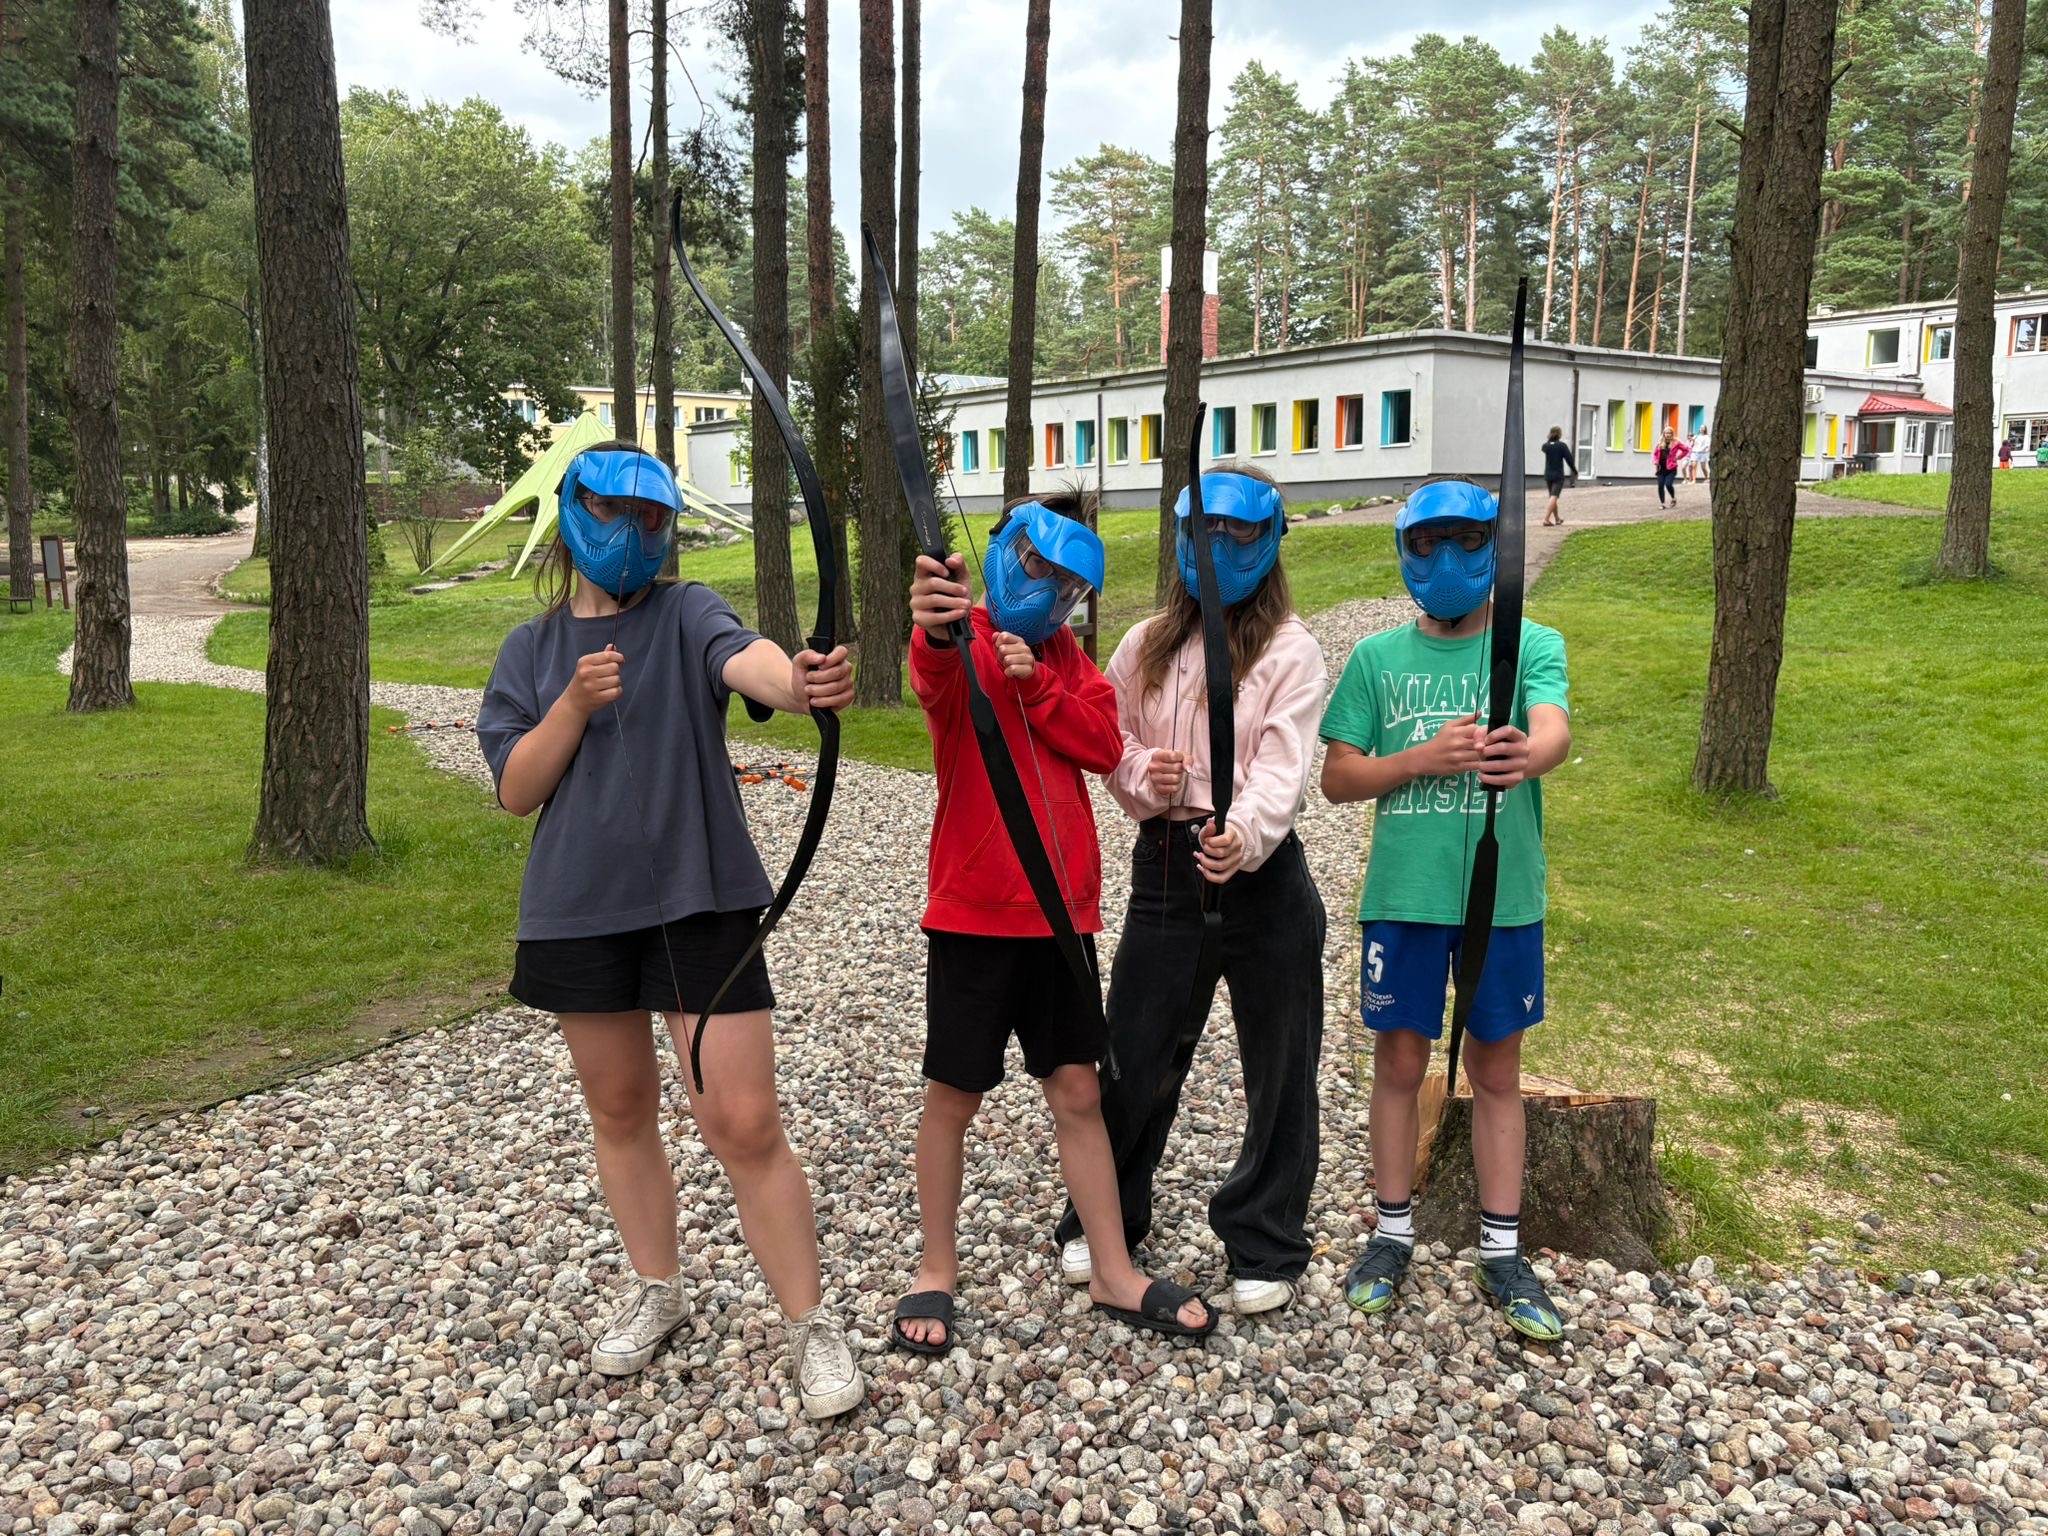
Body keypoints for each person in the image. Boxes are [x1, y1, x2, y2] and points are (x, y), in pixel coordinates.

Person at [476, 442, 865, 1420]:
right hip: (576, 912)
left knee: (743, 1122)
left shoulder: (687, 610)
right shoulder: (529, 652)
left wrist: (802, 681)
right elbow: (516, 789)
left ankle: (809, 1322)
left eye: (652, 517)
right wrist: (572, 704)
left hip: (700, 900)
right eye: (612, 513)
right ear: (573, 515)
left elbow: (750, 662)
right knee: (618, 1109)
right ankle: (658, 1287)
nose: (633, 533)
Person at [895, 493, 1218, 1353]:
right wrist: (937, 624)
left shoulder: (1066, 660)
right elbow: (931, 672)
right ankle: (935, 1267)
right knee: (953, 1095)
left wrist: (1036, 685)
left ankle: (1112, 1268)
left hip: (1059, 914)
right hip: (973, 915)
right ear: (1005, 550)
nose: (1049, 589)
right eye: (1035, 564)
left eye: (1069, 583)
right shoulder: (964, 639)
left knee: (1077, 1089)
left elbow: (1104, 743)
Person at [1053, 463, 1328, 1319]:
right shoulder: (1144, 644)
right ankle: (1106, 1219)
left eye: (1239, 533)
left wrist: (1242, 832)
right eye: (1206, 532)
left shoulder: (1290, 650)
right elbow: (1111, 741)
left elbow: (1283, 767)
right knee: (1135, 1049)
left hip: (1262, 878)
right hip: (1169, 869)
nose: (1220, 548)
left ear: (1269, 541)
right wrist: (1148, 776)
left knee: (1281, 1062)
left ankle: (1265, 1236)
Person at [1319, 477, 1574, 1342]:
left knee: (1496, 1069)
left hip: (1502, 899)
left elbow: (1554, 728)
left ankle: (1502, 1251)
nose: (1448, 559)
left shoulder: (1529, 641)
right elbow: (1339, 777)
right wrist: (1421, 758)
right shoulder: (1376, 659)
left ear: (1493, 549)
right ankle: (1392, 1233)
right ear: (1405, 551)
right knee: (1399, 1061)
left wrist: (1525, 755)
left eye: (1468, 541)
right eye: (1427, 544)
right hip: (1407, 896)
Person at [1539, 427, 1575, 527]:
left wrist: (1550, 440)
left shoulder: (1546, 446)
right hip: (1558, 475)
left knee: (1552, 497)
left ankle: (1557, 519)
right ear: (1559, 434)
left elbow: (1546, 447)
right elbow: (1569, 459)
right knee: (1554, 497)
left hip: (1548, 475)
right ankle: (1546, 519)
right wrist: (1574, 470)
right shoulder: (1562, 446)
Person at [1652, 429, 1689, 507]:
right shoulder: (1660, 443)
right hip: (1661, 468)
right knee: (1660, 485)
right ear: (1664, 434)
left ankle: (1673, 498)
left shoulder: (1676, 442)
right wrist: (1655, 461)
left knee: (1668, 484)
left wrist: (1678, 457)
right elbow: (1655, 454)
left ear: (1672, 434)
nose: (1668, 434)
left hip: (1671, 468)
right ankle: (1662, 504)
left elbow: (1686, 450)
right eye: (1666, 433)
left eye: (1669, 433)